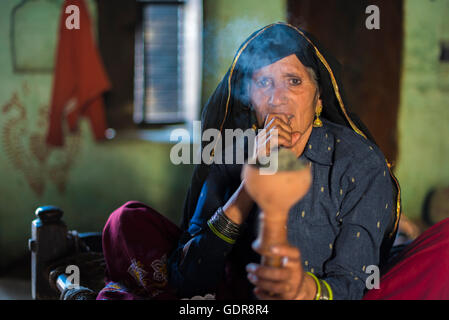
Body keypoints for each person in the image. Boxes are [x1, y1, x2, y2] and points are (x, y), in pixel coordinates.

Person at [97, 22, 402, 300]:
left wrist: (301, 288)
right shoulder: (232, 152)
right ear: (249, 99)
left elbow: (353, 282)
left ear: (318, 98)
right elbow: (189, 278)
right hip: (235, 297)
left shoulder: (359, 162)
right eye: (264, 83)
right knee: (125, 221)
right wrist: (249, 185)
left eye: (294, 81)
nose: (277, 98)